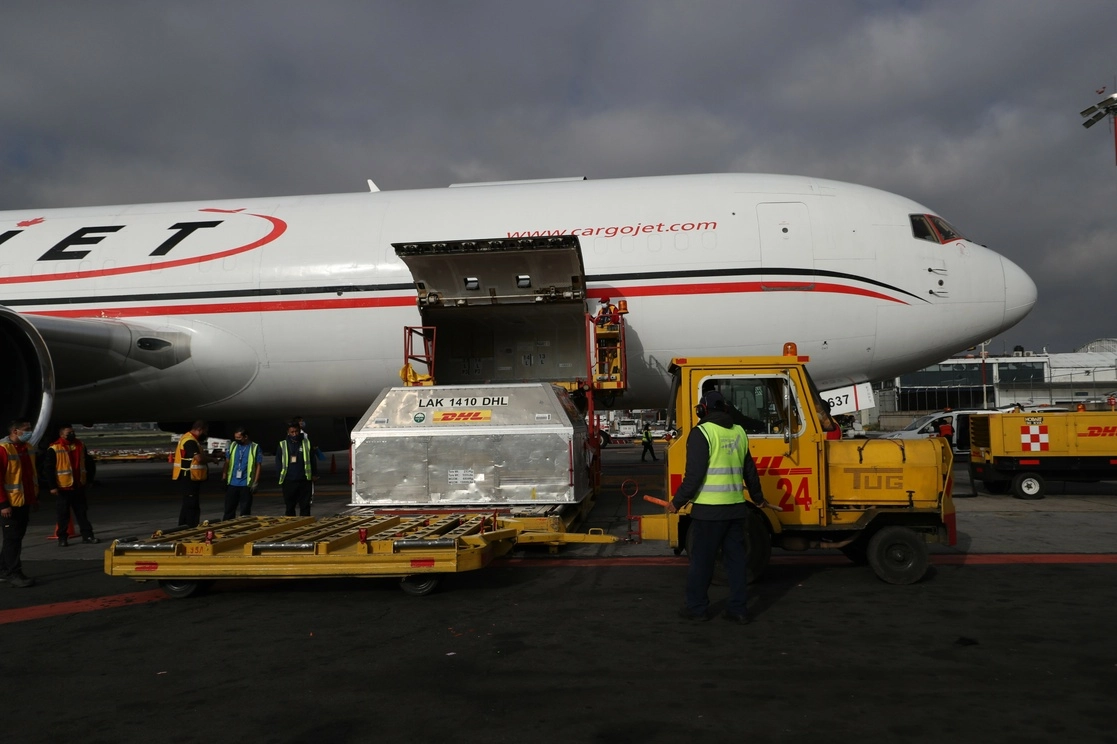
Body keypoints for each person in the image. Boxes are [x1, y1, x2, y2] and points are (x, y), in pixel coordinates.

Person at [668, 391, 768, 624]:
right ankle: (738, 609)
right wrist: (758, 497)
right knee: (736, 562)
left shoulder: (701, 432)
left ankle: (697, 608)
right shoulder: (739, 432)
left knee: (702, 562)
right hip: (735, 509)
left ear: (702, 410)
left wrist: (677, 502)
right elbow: (750, 472)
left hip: (709, 512)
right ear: (725, 409)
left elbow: (694, 476)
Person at [42, 424, 100, 546]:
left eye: (73, 432)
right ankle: (62, 538)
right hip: (63, 487)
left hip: (78, 486)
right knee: (63, 515)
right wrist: (52, 486)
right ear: (62, 435)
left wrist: (89, 480)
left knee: (82, 513)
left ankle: (88, 536)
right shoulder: (54, 448)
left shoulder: (80, 445)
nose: (72, 434)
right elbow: (49, 469)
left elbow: (88, 464)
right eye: (69, 433)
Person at [0, 420, 40, 587]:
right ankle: (13, 573)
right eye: (27, 430)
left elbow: (29, 477)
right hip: (10, 504)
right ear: (15, 431)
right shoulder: (3, 449)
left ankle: (3, 570)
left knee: (15, 538)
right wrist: (3, 504)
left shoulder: (27, 448)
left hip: (23, 501)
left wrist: (33, 499)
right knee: (13, 539)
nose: (30, 432)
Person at [172, 421, 208, 527]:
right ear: (200, 430)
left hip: (189, 476)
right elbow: (198, 458)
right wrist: (212, 459)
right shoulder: (190, 441)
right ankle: (191, 525)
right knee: (192, 504)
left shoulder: (188, 438)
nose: (205, 434)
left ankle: (183, 525)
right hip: (189, 476)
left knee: (187, 503)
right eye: (205, 432)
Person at [277, 422, 317, 516]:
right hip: (289, 480)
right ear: (288, 432)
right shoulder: (282, 445)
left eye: (296, 432)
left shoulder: (306, 443)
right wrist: (279, 477)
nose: (294, 434)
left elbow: (312, 459)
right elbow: (278, 462)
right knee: (290, 506)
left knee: (305, 506)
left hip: (304, 479)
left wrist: (314, 474)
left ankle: (305, 525)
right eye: (292, 432)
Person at [223, 426, 261, 520]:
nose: (237, 440)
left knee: (245, 511)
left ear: (246, 437)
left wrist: (255, 482)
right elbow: (227, 462)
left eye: (239, 438)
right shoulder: (233, 445)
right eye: (235, 438)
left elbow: (258, 466)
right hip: (232, 483)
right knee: (229, 509)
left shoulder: (254, 447)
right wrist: (224, 476)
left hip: (246, 484)